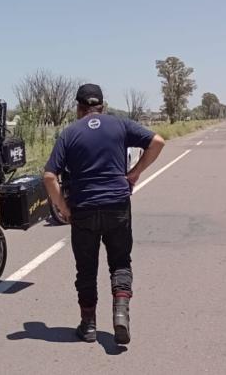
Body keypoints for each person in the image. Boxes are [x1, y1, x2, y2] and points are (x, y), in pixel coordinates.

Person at [43, 83, 165, 345]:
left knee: (86, 270)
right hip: (117, 206)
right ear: (102, 105)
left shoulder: (69, 133)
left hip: (84, 210)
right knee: (120, 262)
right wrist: (135, 173)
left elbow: (49, 176)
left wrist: (64, 209)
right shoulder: (119, 125)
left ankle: (88, 325)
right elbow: (157, 141)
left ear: (78, 107)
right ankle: (120, 315)